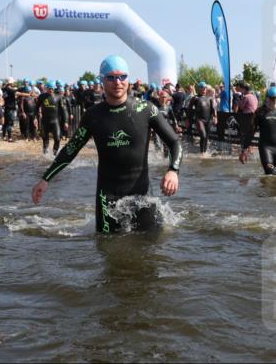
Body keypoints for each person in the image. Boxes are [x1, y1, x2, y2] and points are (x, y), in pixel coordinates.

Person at [31, 56, 183, 234]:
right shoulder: (94, 115)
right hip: (107, 199)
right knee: (107, 248)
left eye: (122, 77)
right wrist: (46, 178)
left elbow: (174, 141)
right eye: (111, 77)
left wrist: (173, 170)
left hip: (142, 196)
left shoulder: (146, 109)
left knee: (150, 248)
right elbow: (70, 150)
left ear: (128, 79)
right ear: (102, 80)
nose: (117, 82)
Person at [239, 86, 276, 174]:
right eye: (271, 98)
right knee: (270, 173)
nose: (274, 101)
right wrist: (244, 150)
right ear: (267, 98)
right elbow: (251, 132)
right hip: (266, 148)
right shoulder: (259, 112)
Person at [187, 81, 215, 153]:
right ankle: (202, 153)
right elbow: (189, 109)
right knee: (203, 136)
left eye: (205, 88)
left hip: (208, 120)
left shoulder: (210, 98)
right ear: (199, 89)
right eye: (203, 88)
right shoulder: (195, 98)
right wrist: (188, 119)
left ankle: (204, 152)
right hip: (200, 120)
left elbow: (213, 108)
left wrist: (215, 117)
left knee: (206, 137)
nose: (204, 89)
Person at [38, 81, 64, 155]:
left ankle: (55, 153)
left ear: (54, 89)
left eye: (52, 89)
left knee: (58, 139)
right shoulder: (42, 96)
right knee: (45, 140)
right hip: (45, 121)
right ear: (46, 88)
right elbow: (36, 107)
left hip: (55, 121)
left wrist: (65, 122)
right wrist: (35, 118)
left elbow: (63, 110)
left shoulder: (58, 96)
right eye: (49, 88)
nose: (51, 90)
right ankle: (45, 154)